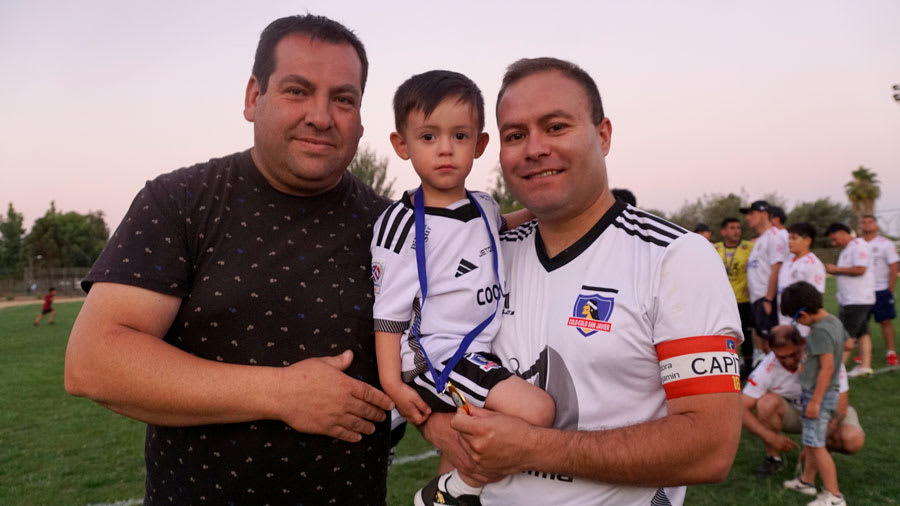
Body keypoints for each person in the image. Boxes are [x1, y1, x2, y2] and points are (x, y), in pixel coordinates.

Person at [63, 15, 397, 505]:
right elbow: (94, 362)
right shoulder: (180, 201)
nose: (321, 116)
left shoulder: (394, 229)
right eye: (297, 91)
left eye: (343, 99)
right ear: (253, 97)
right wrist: (282, 393)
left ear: (361, 117)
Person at [420, 57, 743, 506]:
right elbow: (434, 363)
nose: (534, 149)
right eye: (515, 135)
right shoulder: (485, 257)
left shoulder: (675, 258)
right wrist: (437, 429)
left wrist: (533, 448)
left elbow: (710, 446)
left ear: (603, 135)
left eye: (555, 127)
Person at [370, 70, 554, 505]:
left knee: (465, 437)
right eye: (428, 136)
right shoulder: (402, 225)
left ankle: (443, 495)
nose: (445, 149)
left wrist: (545, 205)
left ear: (480, 144)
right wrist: (394, 385)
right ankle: (461, 487)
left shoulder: (483, 205)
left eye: (459, 135)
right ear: (401, 145)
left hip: (477, 350)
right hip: (438, 355)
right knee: (538, 410)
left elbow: (500, 226)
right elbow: (387, 315)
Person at [742, 326, 863, 479]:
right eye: (781, 357)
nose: (788, 361)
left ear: (802, 344)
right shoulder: (767, 367)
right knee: (766, 404)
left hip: (827, 412)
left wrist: (815, 442)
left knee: (853, 440)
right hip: (794, 413)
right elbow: (742, 409)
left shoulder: (825, 358)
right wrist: (770, 437)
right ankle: (773, 458)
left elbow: (841, 407)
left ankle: (820, 452)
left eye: (793, 354)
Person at [780, 282, 848, 506]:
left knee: (818, 446)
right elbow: (848, 344)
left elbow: (827, 368)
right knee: (811, 441)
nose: (798, 324)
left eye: (796, 319)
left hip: (819, 396)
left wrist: (815, 401)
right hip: (827, 393)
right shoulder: (834, 322)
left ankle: (834, 496)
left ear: (803, 313)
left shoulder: (819, 331)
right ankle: (806, 482)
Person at [825, 223, 876, 378]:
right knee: (862, 333)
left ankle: (835, 374)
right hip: (851, 298)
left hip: (857, 299)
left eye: (835, 239)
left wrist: (836, 269)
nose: (834, 243)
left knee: (845, 336)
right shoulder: (847, 249)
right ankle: (865, 366)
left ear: (842, 232)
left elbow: (860, 269)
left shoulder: (859, 246)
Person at [742, 200, 788, 361]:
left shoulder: (774, 236)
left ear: (764, 214)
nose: (748, 217)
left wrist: (769, 299)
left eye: (751, 213)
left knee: (774, 342)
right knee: (764, 343)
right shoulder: (761, 239)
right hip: (757, 297)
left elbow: (777, 268)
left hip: (767, 298)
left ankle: (787, 373)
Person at [715, 217, 755, 379]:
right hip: (723, 301)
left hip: (743, 300)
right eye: (732, 228)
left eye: (738, 227)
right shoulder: (715, 248)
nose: (737, 231)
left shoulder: (749, 247)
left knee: (746, 336)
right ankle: (728, 366)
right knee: (724, 334)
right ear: (723, 231)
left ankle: (749, 369)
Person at [860, 214, 899, 366]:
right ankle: (866, 353)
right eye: (864, 222)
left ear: (876, 225)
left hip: (881, 289)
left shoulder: (885, 243)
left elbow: (894, 266)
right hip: (862, 290)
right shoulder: (858, 243)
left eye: (870, 222)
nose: (867, 224)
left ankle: (891, 353)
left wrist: (890, 289)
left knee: (885, 321)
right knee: (863, 323)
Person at [776, 222, 826, 331]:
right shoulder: (788, 260)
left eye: (794, 238)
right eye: (789, 238)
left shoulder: (813, 264)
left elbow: (816, 298)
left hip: (801, 323)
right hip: (784, 318)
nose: (790, 242)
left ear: (807, 241)